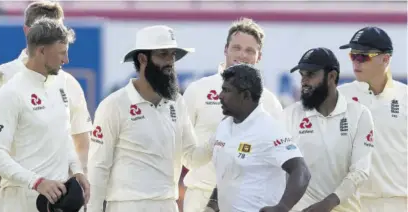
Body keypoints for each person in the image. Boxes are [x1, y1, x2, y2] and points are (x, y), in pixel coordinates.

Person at [0, 1, 92, 211]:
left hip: (56, 198)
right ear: (39, 44)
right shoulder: (2, 82)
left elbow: (72, 140)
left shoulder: (63, 84)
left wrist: (78, 173)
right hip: (13, 194)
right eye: (61, 51)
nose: (67, 59)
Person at [86, 25, 214, 212]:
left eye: (172, 55)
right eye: (163, 54)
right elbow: (98, 167)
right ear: (142, 58)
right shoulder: (113, 105)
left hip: (168, 204)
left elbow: (191, 158)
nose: (170, 62)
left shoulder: (176, 102)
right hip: (127, 206)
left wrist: (218, 138)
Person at [182, 17, 283, 212]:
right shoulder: (198, 91)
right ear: (225, 49)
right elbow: (183, 154)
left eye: (250, 51)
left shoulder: (270, 102)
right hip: (200, 195)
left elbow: (277, 159)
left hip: (249, 199)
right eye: (236, 48)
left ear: (259, 56)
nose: (242, 55)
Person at [204, 64, 311, 212]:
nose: (219, 95)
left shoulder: (269, 129)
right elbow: (228, 173)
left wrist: (283, 207)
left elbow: (302, 171)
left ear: (246, 95)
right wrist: (212, 204)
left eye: (227, 90)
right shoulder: (224, 126)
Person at [283, 47, 375, 212]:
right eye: (302, 75)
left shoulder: (359, 114)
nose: (304, 81)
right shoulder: (290, 115)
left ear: (331, 76)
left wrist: (328, 203)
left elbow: (360, 171)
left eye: (310, 75)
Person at [338, 27, 407, 212]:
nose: (356, 62)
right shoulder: (337, 98)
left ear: (385, 59)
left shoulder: (405, 97)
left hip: (396, 203)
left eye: (363, 56)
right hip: (348, 204)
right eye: (353, 55)